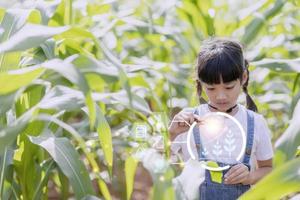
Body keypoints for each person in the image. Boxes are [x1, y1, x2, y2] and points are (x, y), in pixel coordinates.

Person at [169, 38, 273, 200]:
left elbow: (268, 169)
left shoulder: (255, 122)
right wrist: (171, 135)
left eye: (229, 87)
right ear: (201, 83)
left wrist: (250, 177)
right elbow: (155, 162)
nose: (221, 96)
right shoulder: (187, 120)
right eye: (211, 88)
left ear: (243, 78)